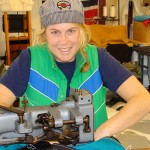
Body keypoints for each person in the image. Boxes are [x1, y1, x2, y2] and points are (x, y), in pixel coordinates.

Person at [0, 0, 150, 142]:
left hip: (92, 145)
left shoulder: (98, 58)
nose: (64, 41)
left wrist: (102, 132)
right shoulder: (29, 59)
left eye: (71, 31)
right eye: (55, 32)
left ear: (82, 31)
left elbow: (143, 99)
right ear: (45, 34)